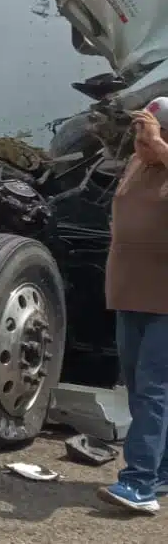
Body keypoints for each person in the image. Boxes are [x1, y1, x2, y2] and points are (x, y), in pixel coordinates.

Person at [98, 104, 168, 515]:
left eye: (149, 136)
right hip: (129, 290)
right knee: (140, 387)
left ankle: (139, 484)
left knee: (154, 386)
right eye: (139, 136)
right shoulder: (137, 165)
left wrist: (160, 145)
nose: (140, 143)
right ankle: (160, 470)